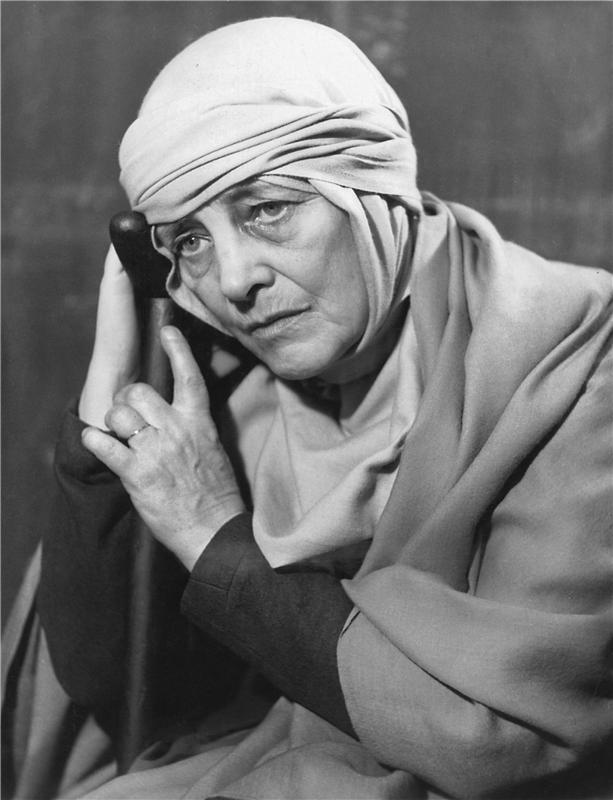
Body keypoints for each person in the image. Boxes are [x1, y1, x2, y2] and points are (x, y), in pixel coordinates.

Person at [7, 16, 613, 800]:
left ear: (370, 189)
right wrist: (104, 437)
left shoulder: (573, 361)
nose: (234, 281)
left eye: (267, 209)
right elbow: (131, 699)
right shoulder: (230, 398)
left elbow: (507, 741)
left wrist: (213, 536)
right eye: (189, 241)